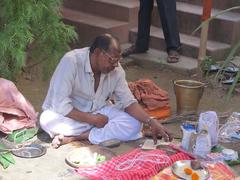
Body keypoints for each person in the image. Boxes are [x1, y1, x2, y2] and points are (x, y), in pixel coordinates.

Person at [40, 34, 172, 148]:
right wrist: (92, 120)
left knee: (135, 124)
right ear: (97, 52)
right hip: (70, 116)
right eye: (112, 60)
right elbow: (60, 105)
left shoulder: (116, 70)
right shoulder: (71, 61)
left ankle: (77, 137)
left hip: (100, 113)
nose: (115, 65)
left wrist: (151, 121)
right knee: (46, 120)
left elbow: (128, 102)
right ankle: (98, 132)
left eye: (118, 61)